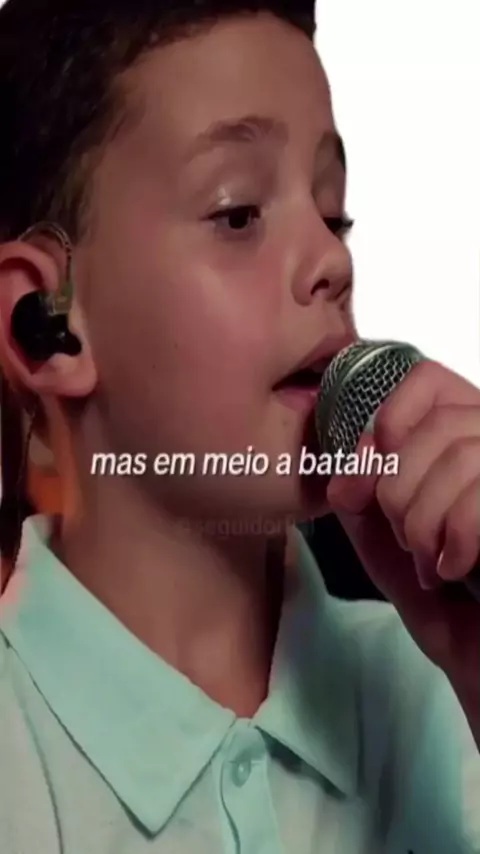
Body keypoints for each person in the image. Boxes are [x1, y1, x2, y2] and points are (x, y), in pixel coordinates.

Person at [0, 1, 479, 851]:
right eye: (238, 213)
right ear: (49, 322)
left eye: (333, 214)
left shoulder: (447, 688)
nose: (332, 261)